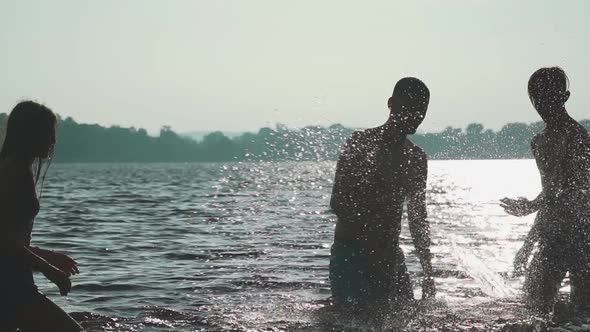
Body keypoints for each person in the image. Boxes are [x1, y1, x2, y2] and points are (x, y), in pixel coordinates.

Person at [329, 77, 435, 307]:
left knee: (407, 317)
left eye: (422, 110)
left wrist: (428, 272)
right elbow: (338, 202)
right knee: (350, 322)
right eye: (412, 107)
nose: (417, 115)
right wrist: (370, 242)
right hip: (351, 254)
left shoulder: (416, 158)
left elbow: (417, 218)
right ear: (392, 104)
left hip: (390, 257)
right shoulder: (360, 143)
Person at [501, 67, 590, 316]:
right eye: (537, 98)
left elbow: (567, 188)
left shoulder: (577, 137)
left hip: (583, 237)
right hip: (552, 236)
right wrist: (528, 244)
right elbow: (551, 196)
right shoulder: (538, 141)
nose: (543, 104)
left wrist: (529, 207)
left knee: (582, 313)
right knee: (533, 307)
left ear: (565, 96)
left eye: (550, 96)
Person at [0, 101, 83, 331]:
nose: (53, 141)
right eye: (48, 133)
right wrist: (50, 270)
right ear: (31, 133)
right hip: (11, 286)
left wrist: (48, 255)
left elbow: (10, 239)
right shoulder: (15, 173)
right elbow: (5, 242)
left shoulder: (12, 168)